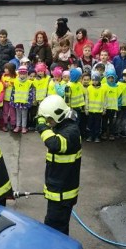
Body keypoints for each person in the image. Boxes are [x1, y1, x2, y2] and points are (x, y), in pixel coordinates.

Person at [34, 95, 81, 235]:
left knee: (54, 230)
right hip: (59, 191)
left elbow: (55, 144)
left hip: (62, 194)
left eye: (49, 119)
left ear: (57, 115)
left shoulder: (71, 131)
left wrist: (42, 127)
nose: (48, 123)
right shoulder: (63, 125)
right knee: (59, 228)